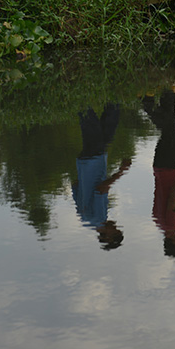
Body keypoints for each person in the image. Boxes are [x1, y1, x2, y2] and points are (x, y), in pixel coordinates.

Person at [72, 104, 131, 250]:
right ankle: (114, 100)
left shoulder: (99, 218)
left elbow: (101, 189)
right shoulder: (84, 217)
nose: (115, 225)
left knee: (90, 122)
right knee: (107, 129)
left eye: (115, 230)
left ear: (107, 236)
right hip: (87, 162)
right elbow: (75, 184)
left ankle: (77, 94)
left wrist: (121, 171)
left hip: (94, 161)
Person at [143, 91, 175, 257]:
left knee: (170, 129)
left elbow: (172, 196)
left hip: (169, 167)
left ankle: (148, 104)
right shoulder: (159, 223)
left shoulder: (170, 225)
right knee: (170, 127)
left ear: (173, 242)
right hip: (159, 168)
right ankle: (168, 93)